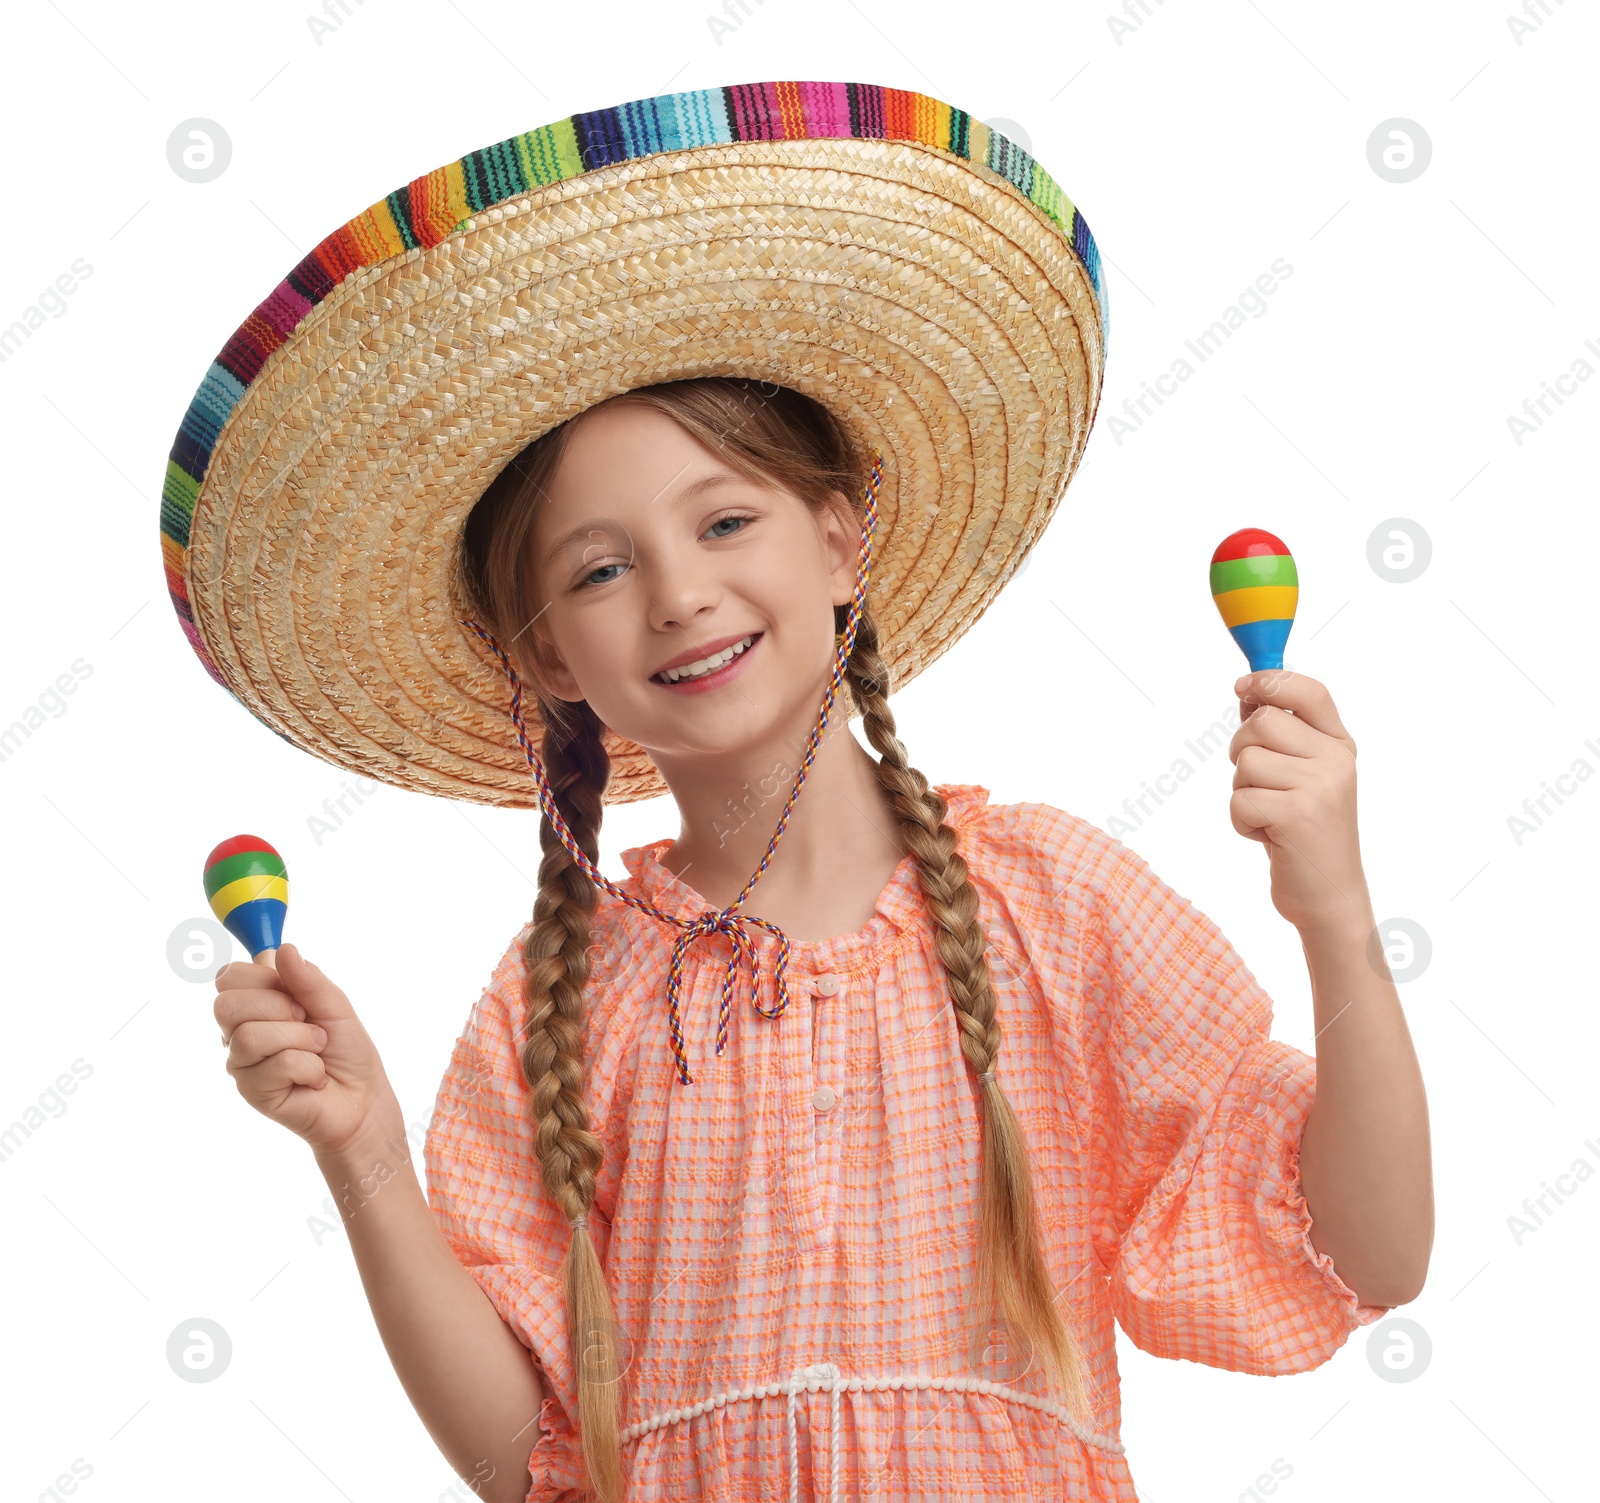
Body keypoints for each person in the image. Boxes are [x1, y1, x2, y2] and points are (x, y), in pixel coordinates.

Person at [176, 80, 1432, 1503]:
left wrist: (1333, 904)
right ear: (549, 653)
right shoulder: (559, 994)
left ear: (841, 541)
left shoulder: (1054, 904)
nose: (681, 593)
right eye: (600, 568)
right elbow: (528, 1461)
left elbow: (1367, 1252)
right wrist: (361, 1156)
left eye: (724, 520)